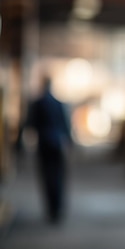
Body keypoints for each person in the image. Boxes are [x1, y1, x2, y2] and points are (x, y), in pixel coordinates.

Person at [26, 75, 73, 223]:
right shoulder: (59, 104)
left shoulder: (37, 103)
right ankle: (58, 207)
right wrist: (69, 142)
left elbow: (30, 124)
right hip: (57, 144)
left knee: (47, 177)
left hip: (44, 145)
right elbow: (66, 125)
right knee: (58, 176)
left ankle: (51, 209)